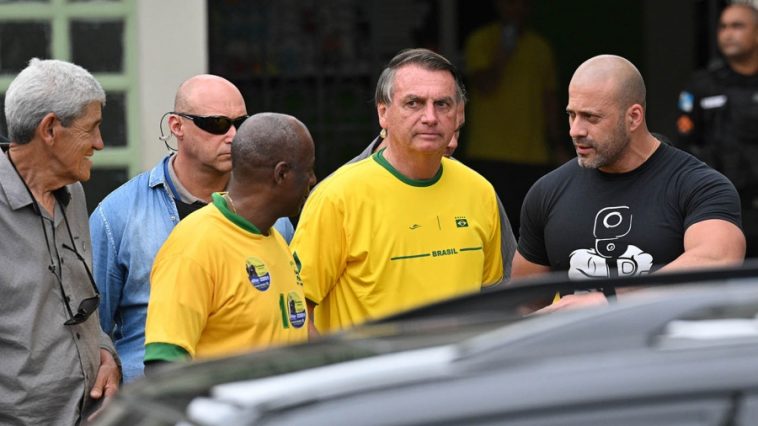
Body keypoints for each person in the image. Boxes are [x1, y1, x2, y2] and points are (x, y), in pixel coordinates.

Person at [89, 75, 295, 382]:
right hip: (154, 393)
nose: (233, 136)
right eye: (216, 124)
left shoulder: (272, 216)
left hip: (246, 392)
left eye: (241, 123)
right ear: (176, 126)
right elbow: (93, 329)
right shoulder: (118, 214)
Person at [291, 48, 504, 333]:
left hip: (458, 363)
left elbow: (490, 302)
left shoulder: (480, 191)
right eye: (414, 103)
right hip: (375, 364)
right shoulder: (337, 197)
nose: (430, 117)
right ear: (383, 113)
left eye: (442, 104)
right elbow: (294, 310)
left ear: (458, 115)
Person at [513, 54, 745, 312]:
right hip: (578, 339)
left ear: (634, 117)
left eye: (591, 117)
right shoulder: (547, 192)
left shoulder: (700, 186)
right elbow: (523, 305)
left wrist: (609, 300)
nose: (575, 130)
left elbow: (717, 259)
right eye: (572, 115)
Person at [0, 58, 120, 425]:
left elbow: (79, 301)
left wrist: (105, 353)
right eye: (91, 128)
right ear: (50, 129)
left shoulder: (73, 191)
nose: (99, 143)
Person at [143, 112, 316, 367]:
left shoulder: (276, 239)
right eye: (308, 170)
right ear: (281, 174)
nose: (313, 180)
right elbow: (164, 366)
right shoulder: (194, 245)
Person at [348, 110, 517, 284]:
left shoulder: (478, 189)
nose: (452, 143)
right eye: (436, 128)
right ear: (384, 114)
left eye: (457, 129)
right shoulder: (341, 192)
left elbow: (505, 284)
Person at [463, 0, 564, 236]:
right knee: (492, 228)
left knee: (532, 230)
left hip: (533, 154)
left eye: (522, 3)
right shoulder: (481, 41)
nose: (516, 8)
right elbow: (484, 85)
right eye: (510, 3)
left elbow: (549, 99)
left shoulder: (540, 47)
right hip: (490, 153)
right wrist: (503, 52)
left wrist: (557, 144)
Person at [674, 1, 758, 256]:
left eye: (737, 26)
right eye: (723, 27)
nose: (727, 34)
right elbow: (684, 146)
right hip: (725, 208)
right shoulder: (702, 85)